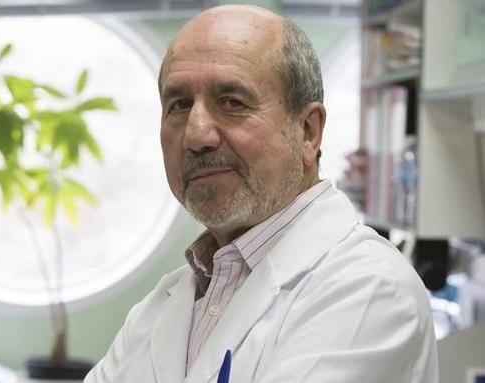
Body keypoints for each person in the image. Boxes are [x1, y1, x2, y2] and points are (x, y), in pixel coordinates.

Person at [84, 5, 438, 383]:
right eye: (180, 105)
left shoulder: (371, 290)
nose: (197, 134)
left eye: (232, 102)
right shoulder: (163, 304)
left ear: (307, 131)